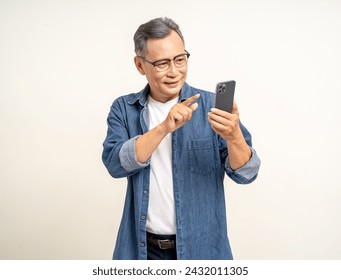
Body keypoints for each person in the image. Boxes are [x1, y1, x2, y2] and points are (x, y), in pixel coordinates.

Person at [102, 17, 261, 260]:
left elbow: (247, 174)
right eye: (162, 63)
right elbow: (114, 164)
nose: (175, 72)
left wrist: (234, 136)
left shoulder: (211, 106)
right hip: (142, 250)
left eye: (180, 59)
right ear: (140, 65)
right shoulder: (125, 109)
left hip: (203, 250)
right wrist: (164, 127)